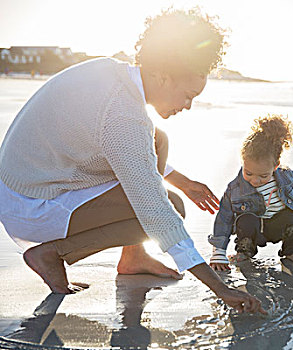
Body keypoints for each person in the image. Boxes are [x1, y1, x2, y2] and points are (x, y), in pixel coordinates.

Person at [0, 7, 265, 314]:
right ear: (163, 76)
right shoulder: (124, 114)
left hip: (29, 183)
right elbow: (156, 212)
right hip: (32, 203)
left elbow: (128, 148)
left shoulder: (112, 73)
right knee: (171, 206)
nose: (189, 106)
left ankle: (134, 257)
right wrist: (220, 288)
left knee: (158, 139)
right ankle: (50, 253)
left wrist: (182, 180)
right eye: (188, 94)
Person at [208, 115, 293, 271]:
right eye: (248, 173)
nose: (255, 180)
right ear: (242, 162)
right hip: (253, 230)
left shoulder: (287, 178)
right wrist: (219, 252)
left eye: (263, 176)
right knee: (245, 220)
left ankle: (291, 252)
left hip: (278, 226)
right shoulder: (235, 189)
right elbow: (224, 218)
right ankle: (244, 251)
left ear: (276, 165)